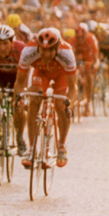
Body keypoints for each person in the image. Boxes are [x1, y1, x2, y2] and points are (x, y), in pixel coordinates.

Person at [14, 28, 76, 168]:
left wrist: (70, 105)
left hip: (61, 75)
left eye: (50, 51)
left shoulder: (66, 53)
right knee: (34, 101)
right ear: (37, 47)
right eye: (43, 50)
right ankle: (31, 149)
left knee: (62, 105)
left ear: (57, 48)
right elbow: (19, 82)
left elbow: (73, 87)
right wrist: (19, 99)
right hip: (41, 73)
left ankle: (61, 146)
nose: (46, 54)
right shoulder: (28, 51)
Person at [0, 24, 27, 155]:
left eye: (5, 43)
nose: (1, 48)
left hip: (17, 77)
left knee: (18, 106)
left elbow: (26, 75)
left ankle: (20, 138)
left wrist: (21, 93)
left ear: (12, 42)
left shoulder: (21, 50)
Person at [68, 22, 99, 117]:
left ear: (85, 35)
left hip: (89, 58)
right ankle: (71, 102)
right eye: (78, 37)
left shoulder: (91, 39)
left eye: (82, 37)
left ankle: (88, 103)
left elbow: (95, 58)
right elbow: (68, 56)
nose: (80, 39)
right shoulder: (72, 40)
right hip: (78, 58)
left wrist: (95, 65)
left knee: (89, 76)